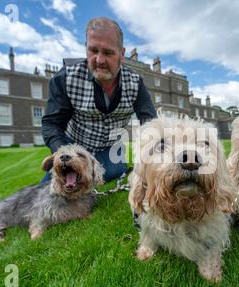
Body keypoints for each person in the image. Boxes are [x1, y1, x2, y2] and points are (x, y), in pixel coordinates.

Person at [41, 17, 157, 183]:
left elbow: (150, 124)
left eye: (108, 53)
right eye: (93, 51)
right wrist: (65, 154)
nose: (100, 60)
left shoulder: (136, 84)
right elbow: (52, 124)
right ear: (86, 49)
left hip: (110, 151)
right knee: (51, 189)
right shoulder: (65, 79)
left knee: (109, 173)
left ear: (122, 54)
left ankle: (114, 169)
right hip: (73, 147)